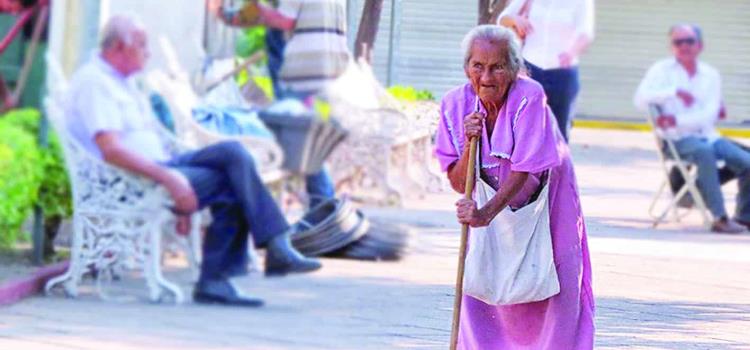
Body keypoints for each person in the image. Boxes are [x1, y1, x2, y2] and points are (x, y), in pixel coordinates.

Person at [65, 14, 322, 307]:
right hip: (134, 179)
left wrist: (175, 178)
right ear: (119, 48)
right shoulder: (95, 84)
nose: (148, 52)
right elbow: (111, 151)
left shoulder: (122, 82)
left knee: (234, 153)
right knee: (234, 180)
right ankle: (228, 274)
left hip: (164, 165)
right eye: (142, 45)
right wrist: (170, 180)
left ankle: (273, 246)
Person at [435, 25, 594, 349]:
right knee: (483, 281)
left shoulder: (530, 95)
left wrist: (484, 214)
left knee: (556, 282)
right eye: (478, 66)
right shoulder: (454, 104)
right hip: (488, 199)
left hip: (547, 197)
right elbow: (456, 180)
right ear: (466, 67)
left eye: (497, 66)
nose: (487, 76)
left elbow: (524, 169)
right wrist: (470, 144)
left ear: (515, 68)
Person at [209, 0, 349, 208]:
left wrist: (239, 9)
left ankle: (325, 206)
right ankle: (324, 205)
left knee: (303, 139)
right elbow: (275, 16)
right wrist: (232, 16)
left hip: (303, 72)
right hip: (329, 71)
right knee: (314, 138)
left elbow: (284, 21)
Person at [634, 24, 748, 234]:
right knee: (704, 153)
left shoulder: (711, 75)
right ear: (672, 46)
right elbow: (640, 99)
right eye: (678, 42)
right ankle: (720, 218)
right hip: (675, 140)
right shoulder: (661, 70)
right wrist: (673, 92)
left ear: (700, 45)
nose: (684, 46)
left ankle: (744, 217)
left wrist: (675, 119)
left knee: (746, 162)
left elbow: (709, 114)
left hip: (707, 136)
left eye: (689, 41)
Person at [498, 0, 595, 142]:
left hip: (562, 71)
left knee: (559, 132)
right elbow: (502, 19)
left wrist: (571, 52)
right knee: (525, 128)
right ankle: (525, 164)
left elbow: (586, 33)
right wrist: (516, 19)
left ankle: (558, 164)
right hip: (530, 68)